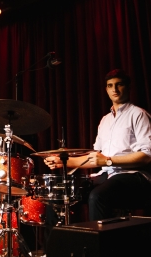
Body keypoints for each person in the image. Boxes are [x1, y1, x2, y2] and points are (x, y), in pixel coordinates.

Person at [44, 69, 151, 221]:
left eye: (119, 84)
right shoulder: (105, 120)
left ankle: (100, 237)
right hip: (106, 175)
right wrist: (62, 161)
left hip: (134, 176)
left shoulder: (138, 114)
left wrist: (108, 161)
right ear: (106, 89)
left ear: (128, 87)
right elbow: (94, 158)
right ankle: (57, 238)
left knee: (97, 195)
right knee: (58, 195)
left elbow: (147, 156)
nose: (114, 89)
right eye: (110, 85)